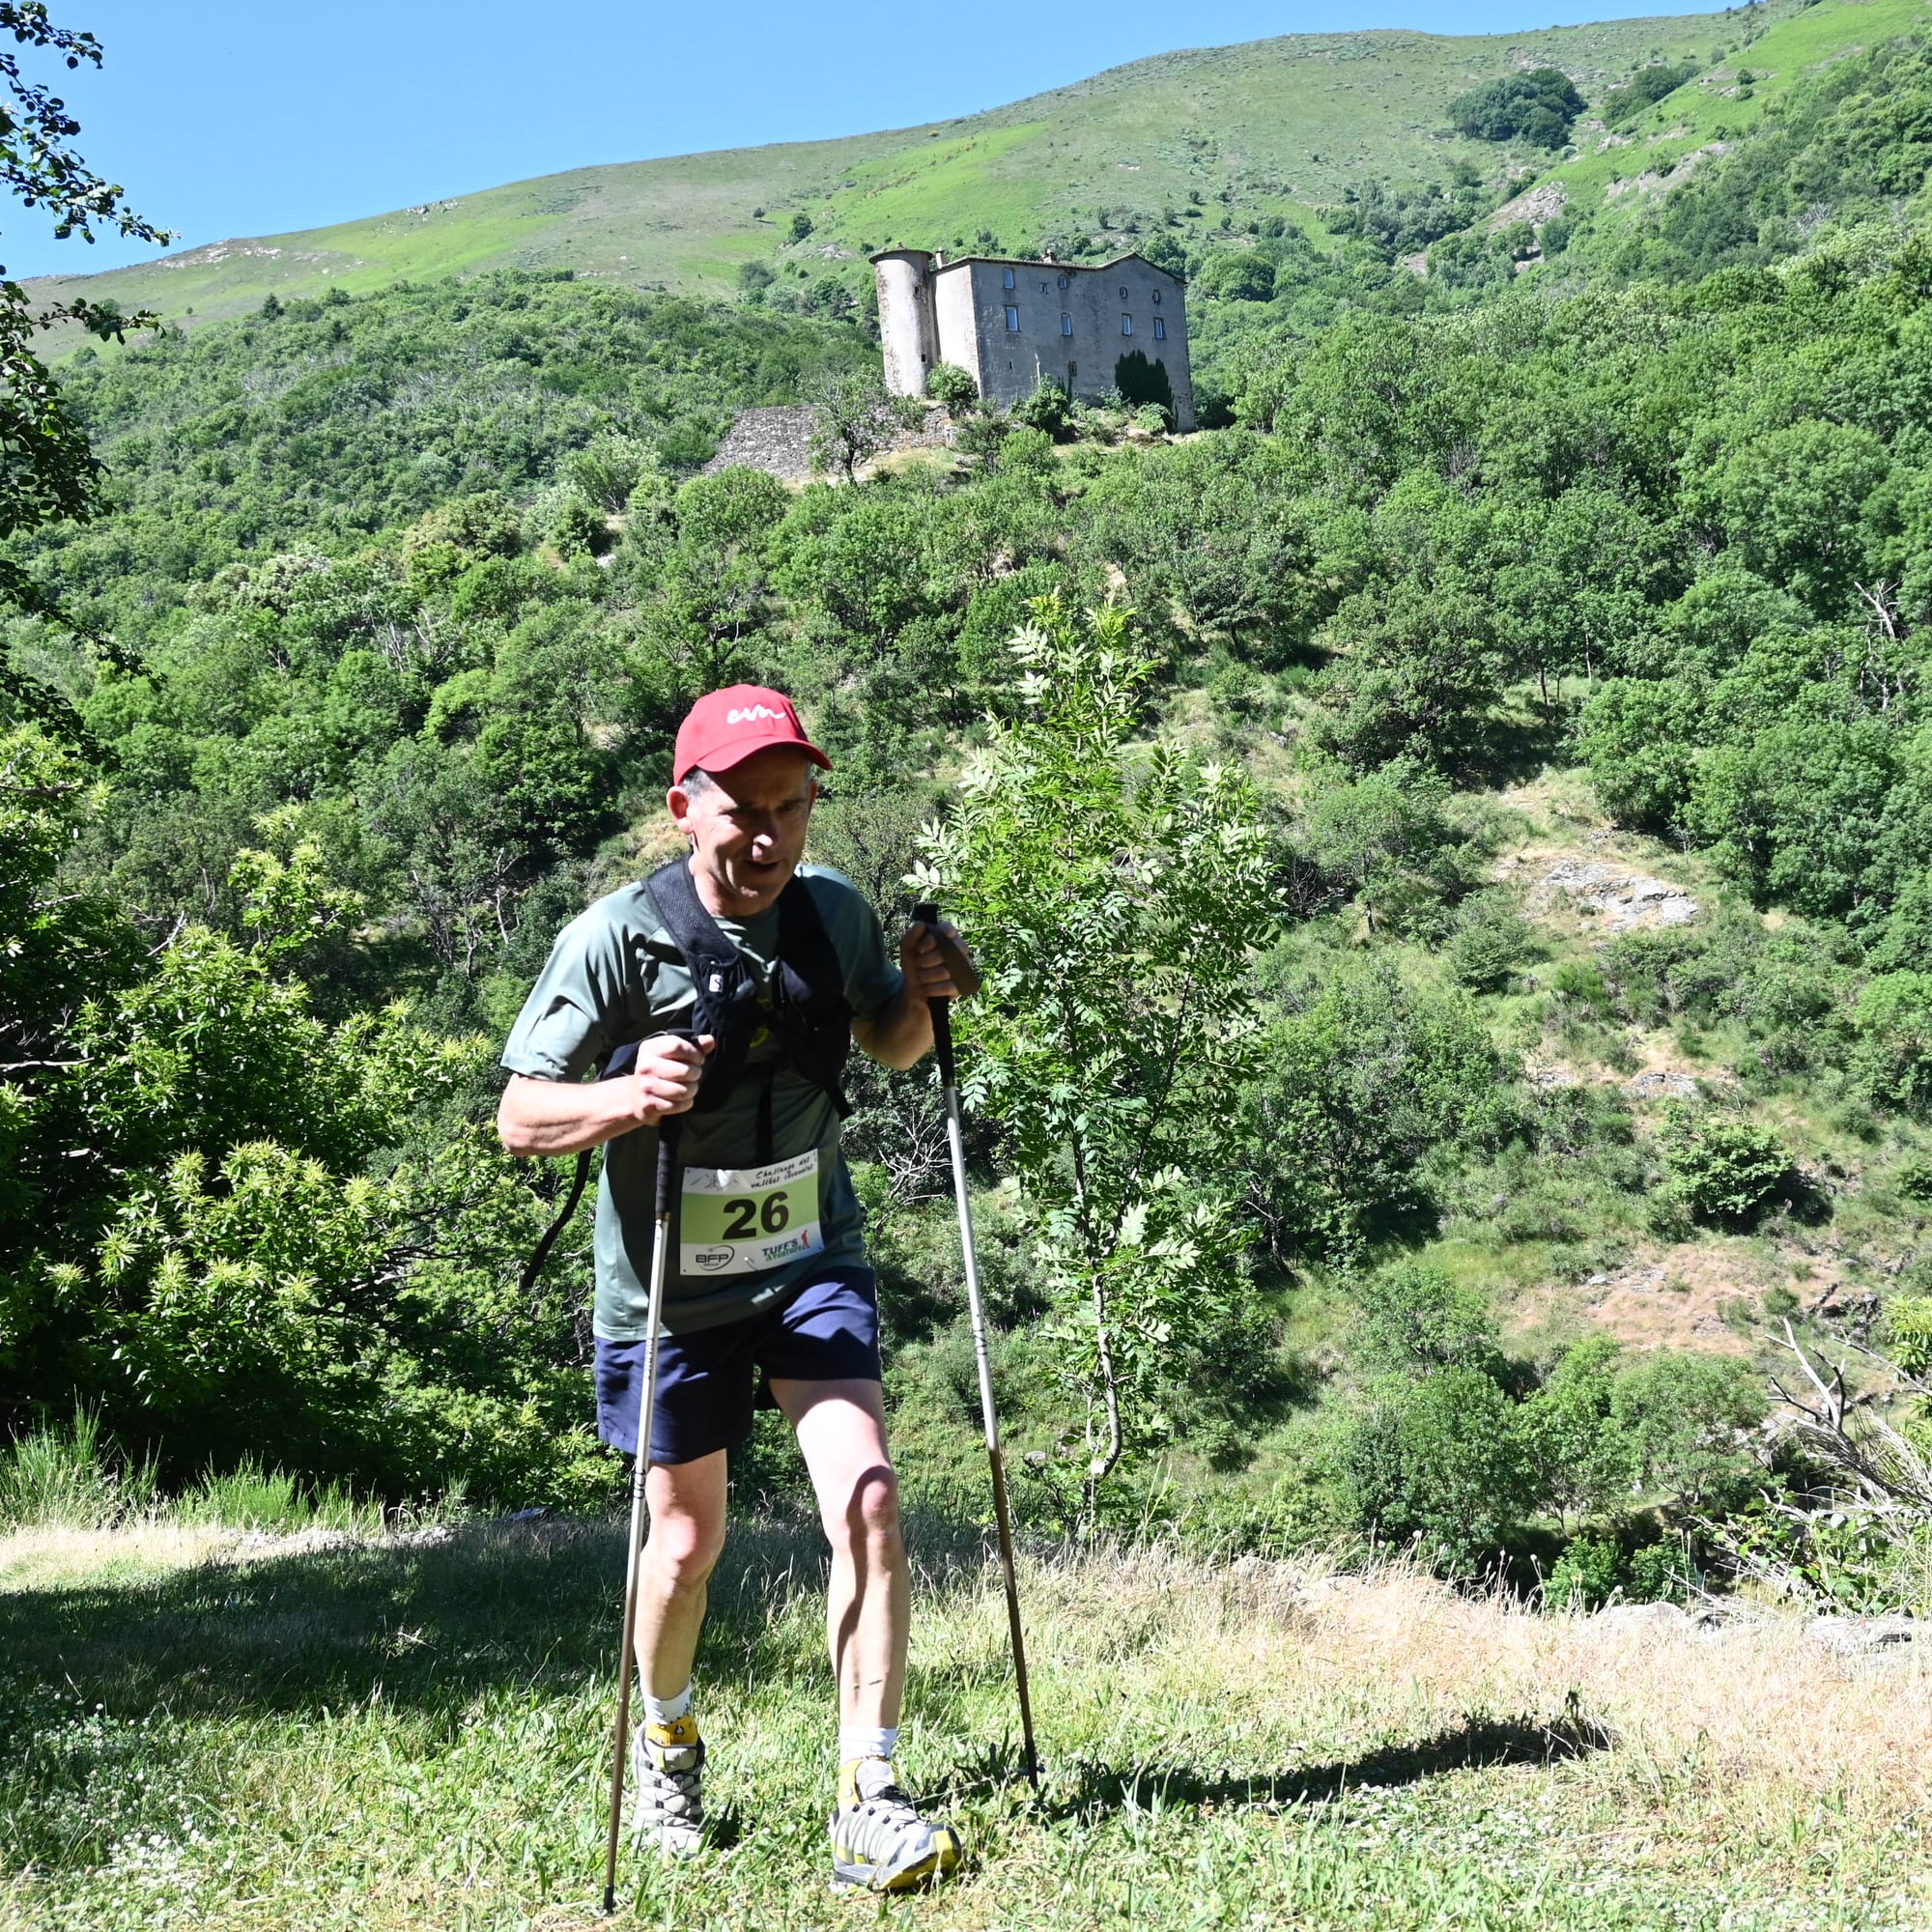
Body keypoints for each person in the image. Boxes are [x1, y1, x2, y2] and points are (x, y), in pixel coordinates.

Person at [496, 685, 971, 1892]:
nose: (766, 837)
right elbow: (518, 1114)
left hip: (809, 1255)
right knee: (685, 1542)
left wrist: (922, 996)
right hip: (668, 1284)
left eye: (790, 808)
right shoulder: (613, 937)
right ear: (682, 809)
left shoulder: (833, 913)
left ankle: (870, 1786)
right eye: (741, 811)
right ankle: (666, 1737)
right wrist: (621, 1097)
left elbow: (888, 1041)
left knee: (866, 1495)